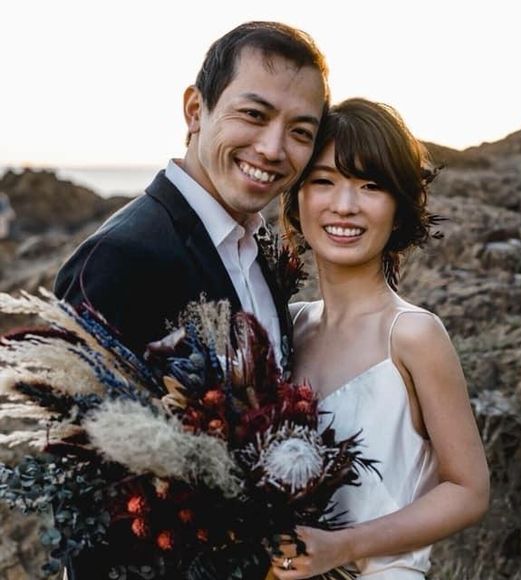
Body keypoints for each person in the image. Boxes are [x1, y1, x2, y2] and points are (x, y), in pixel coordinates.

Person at [54, 21, 329, 580]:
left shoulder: (258, 249)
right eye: (253, 115)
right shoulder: (119, 259)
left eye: (300, 131)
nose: (273, 148)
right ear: (195, 110)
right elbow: (84, 502)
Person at [271, 98, 490, 579]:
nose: (345, 205)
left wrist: (344, 546)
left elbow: (469, 490)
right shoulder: (288, 325)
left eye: (371, 186)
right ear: (297, 197)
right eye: (323, 181)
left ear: (398, 207)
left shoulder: (413, 335)